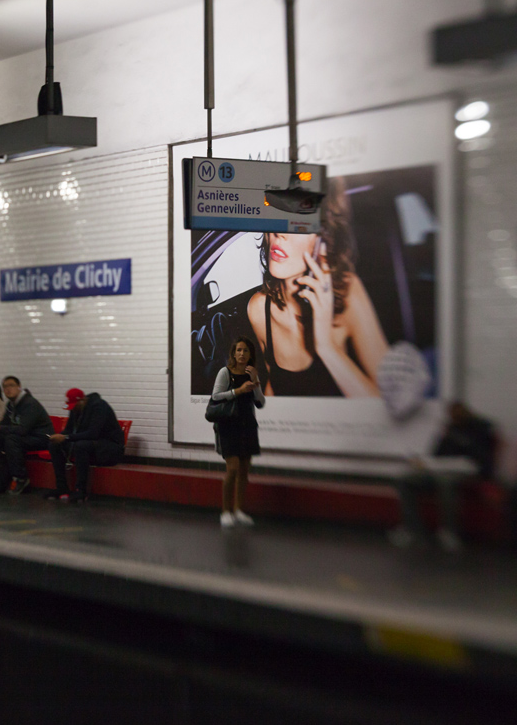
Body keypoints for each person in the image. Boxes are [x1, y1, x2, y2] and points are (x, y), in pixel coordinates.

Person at [247, 179, 388, 398]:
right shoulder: (258, 309)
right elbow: (271, 387)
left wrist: (327, 348)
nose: (279, 231)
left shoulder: (348, 292)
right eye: (277, 213)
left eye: (299, 220)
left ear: (325, 238)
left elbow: (389, 404)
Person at [390, 402, 499, 552]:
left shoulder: (480, 429)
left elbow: (483, 458)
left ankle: (449, 531)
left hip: (469, 471)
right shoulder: (450, 430)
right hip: (443, 469)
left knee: (445, 482)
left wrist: (463, 443)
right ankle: (411, 529)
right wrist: (425, 462)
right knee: (405, 479)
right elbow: (437, 455)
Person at [211, 336, 266, 529]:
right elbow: (215, 396)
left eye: (246, 351)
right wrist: (239, 391)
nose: (242, 354)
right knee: (232, 469)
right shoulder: (225, 373)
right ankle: (226, 511)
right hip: (228, 426)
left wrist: (255, 382)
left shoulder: (252, 373)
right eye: (239, 350)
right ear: (233, 353)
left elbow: (260, 403)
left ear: (251, 355)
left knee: (244, 471)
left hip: (247, 425)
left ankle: (239, 510)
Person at [47, 388, 125, 503]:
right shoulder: (76, 408)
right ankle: (61, 487)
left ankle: (81, 490)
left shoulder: (99, 406)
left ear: (82, 400)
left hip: (110, 447)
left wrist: (66, 437)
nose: (73, 409)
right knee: (54, 446)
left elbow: (93, 433)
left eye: (75, 405)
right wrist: (58, 437)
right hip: (91, 445)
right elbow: (69, 430)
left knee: (81, 446)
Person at [0, 376, 53, 495]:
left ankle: (21, 478)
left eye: (11, 386)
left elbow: (23, 429)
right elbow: (4, 424)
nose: (8, 389)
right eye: (5, 387)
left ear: (19, 387)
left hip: (41, 437)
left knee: (11, 440)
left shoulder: (29, 404)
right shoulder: (11, 405)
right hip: (27, 437)